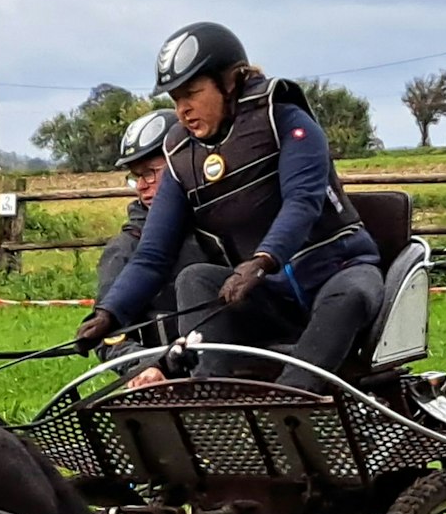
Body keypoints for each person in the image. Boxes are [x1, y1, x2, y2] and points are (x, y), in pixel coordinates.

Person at [75, 22, 383, 391]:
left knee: (349, 295)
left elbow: (302, 202)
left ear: (230, 81)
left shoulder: (287, 121)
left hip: (339, 274)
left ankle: (291, 396)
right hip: (272, 300)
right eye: (175, 99)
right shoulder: (180, 155)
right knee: (197, 279)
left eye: (192, 92)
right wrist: (109, 314)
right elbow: (152, 256)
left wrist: (261, 261)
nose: (183, 109)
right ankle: (211, 394)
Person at [93, 108, 206, 373]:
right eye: (137, 176)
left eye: (151, 172)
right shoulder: (125, 248)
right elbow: (109, 336)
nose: (142, 185)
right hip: (169, 383)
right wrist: (147, 366)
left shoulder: (223, 228)